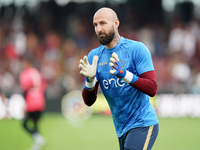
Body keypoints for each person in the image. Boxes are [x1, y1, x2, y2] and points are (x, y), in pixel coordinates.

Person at [79, 7, 159, 150]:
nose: (98, 29)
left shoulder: (137, 49)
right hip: (121, 129)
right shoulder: (94, 56)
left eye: (103, 23)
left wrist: (124, 74)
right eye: (95, 25)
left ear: (116, 23)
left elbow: (152, 88)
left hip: (143, 123)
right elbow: (88, 102)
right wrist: (90, 81)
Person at [19, 58, 46, 150]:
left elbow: (25, 89)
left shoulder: (26, 74)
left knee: (24, 124)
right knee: (35, 123)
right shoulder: (37, 73)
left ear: (29, 63)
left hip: (31, 102)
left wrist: (24, 105)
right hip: (39, 100)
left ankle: (38, 139)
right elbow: (43, 86)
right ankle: (38, 142)